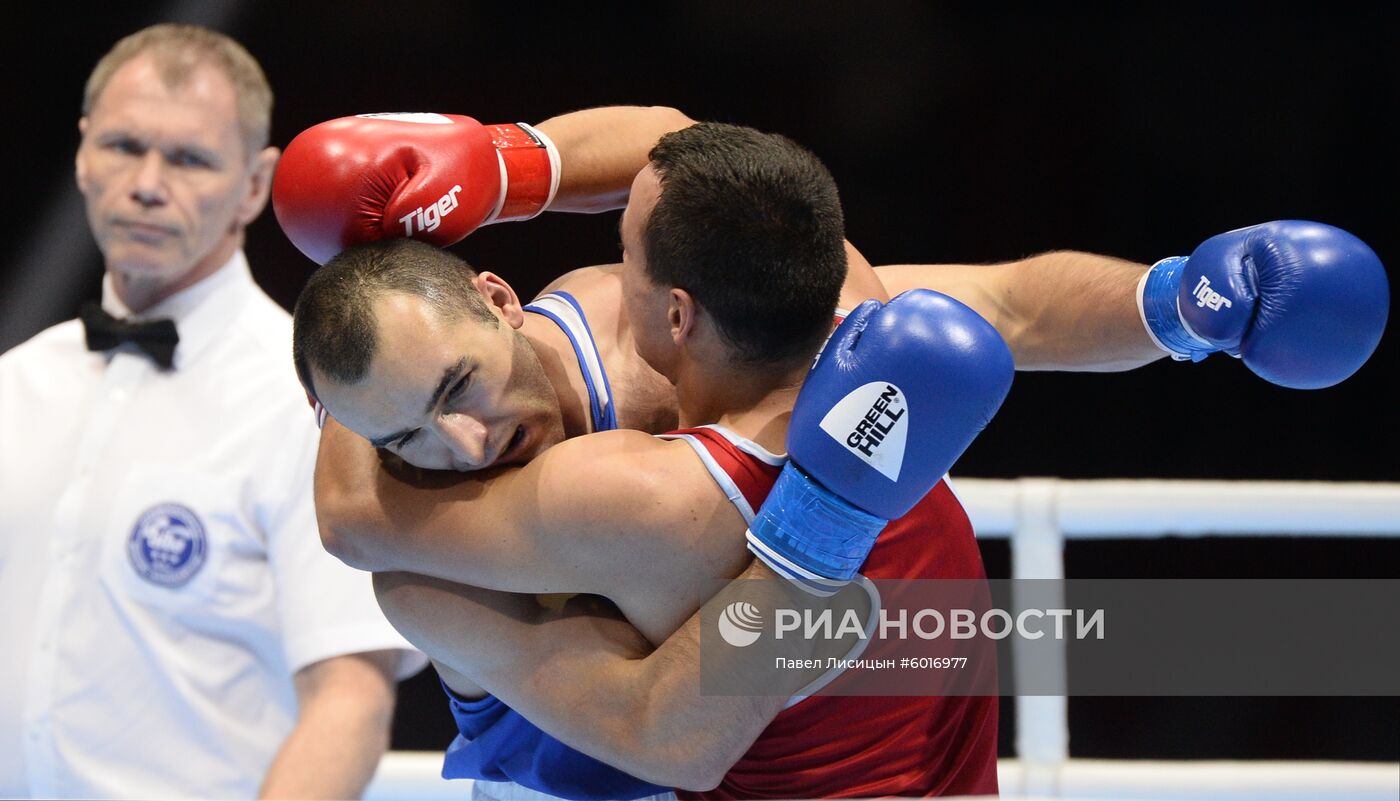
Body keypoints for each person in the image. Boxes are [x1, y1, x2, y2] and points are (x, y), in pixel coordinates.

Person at [286, 114, 1386, 797]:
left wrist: (1182, 304)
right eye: (401, 434)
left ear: (502, 297)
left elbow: (1013, 306)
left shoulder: (821, 322)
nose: (459, 444)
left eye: (455, 389)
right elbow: (353, 521)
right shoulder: (463, 549)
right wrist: (816, 530)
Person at [0, 24, 422, 800]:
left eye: (190, 158)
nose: (148, 183)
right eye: (124, 146)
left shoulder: (313, 406)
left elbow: (350, 700)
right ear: (83, 152)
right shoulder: (14, 386)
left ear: (255, 184)